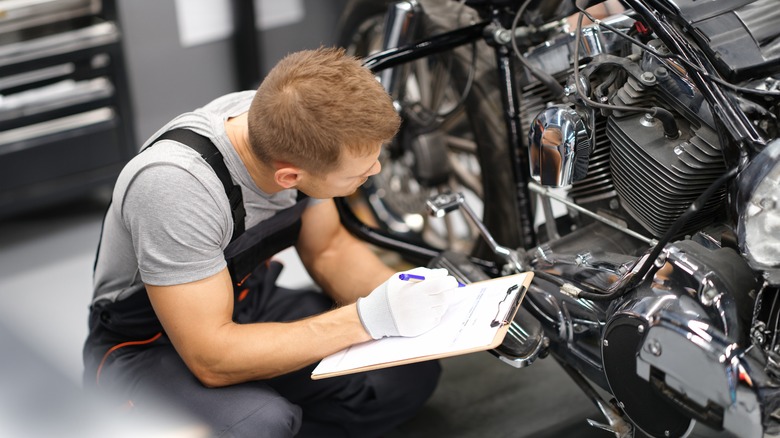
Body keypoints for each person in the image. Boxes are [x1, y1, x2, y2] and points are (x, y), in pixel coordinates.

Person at [83, 47, 459, 437]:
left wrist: (425, 305)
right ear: (289, 178)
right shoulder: (175, 188)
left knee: (407, 373)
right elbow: (211, 357)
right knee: (260, 424)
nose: (376, 170)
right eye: (359, 175)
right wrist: (366, 319)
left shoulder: (294, 122)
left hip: (247, 301)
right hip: (148, 345)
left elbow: (329, 248)